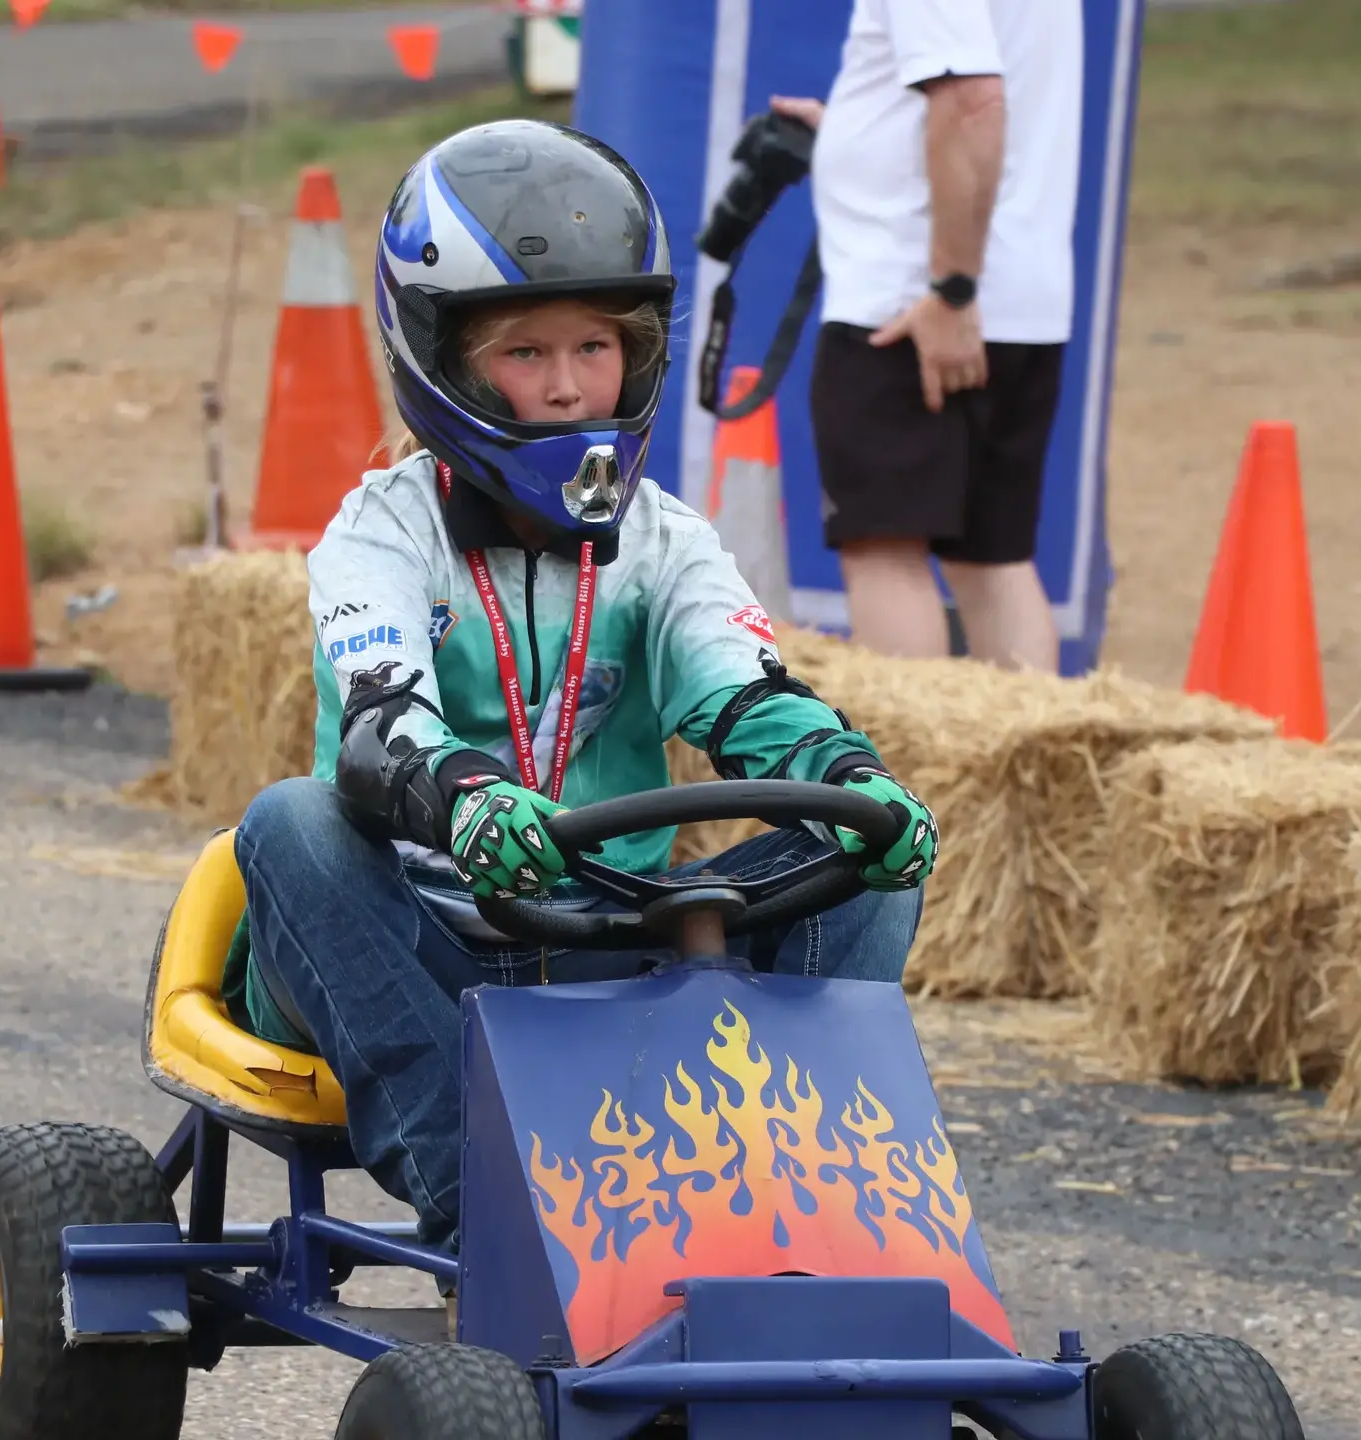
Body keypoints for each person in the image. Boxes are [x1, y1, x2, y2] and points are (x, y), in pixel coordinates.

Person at [226, 119, 941, 1250]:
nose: (567, 389)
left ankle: (809, 1209)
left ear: (638, 356)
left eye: (593, 350)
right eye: (525, 354)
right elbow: (381, 720)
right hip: (423, 934)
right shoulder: (379, 535)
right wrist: (464, 800)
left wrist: (845, 772)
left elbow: (741, 688)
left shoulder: (664, 542)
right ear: (445, 360)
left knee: (865, 850)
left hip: (619, 929)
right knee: (290, 824)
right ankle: (492, 1218)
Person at [773, 0, 1083, 672]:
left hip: (913, 300)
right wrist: (853, 134)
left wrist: (951, 289)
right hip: (1017, 292)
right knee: (992, 558)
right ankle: (1028, 775)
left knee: (885, 554)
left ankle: (911, 776)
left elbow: (972, 100)